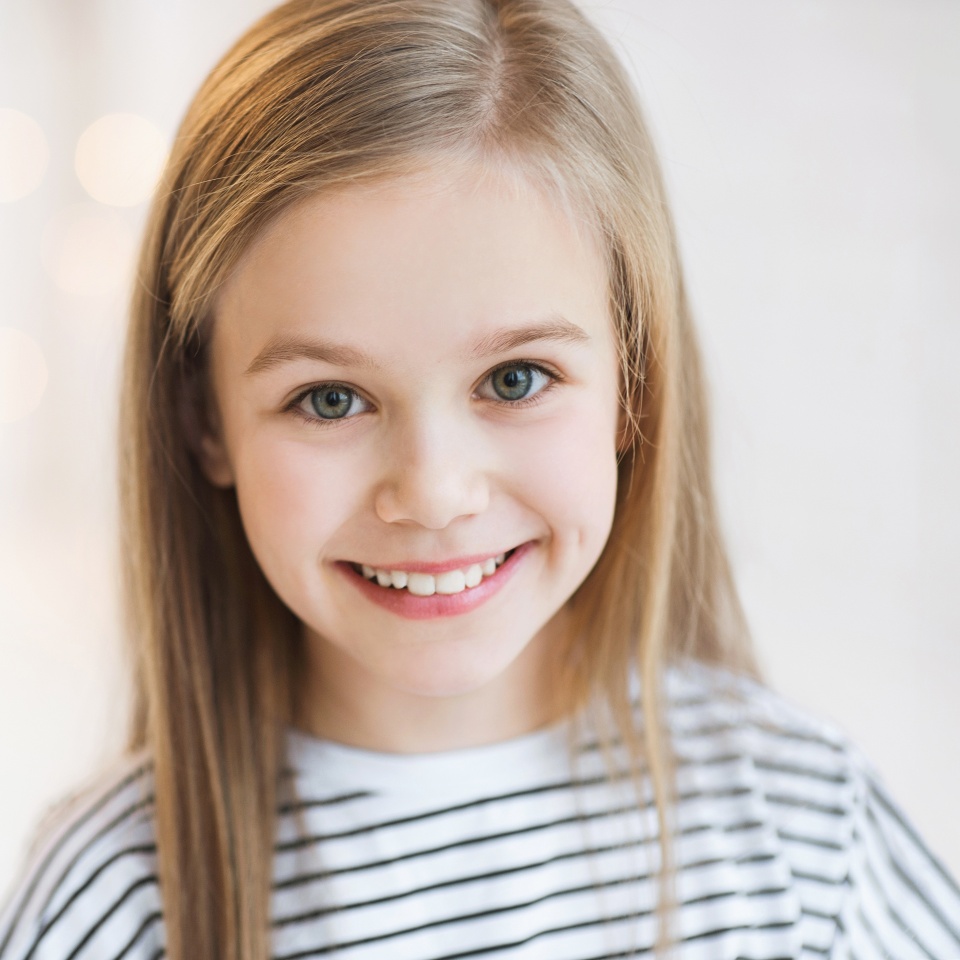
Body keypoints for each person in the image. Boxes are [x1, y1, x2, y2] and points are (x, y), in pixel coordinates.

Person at [1, 0, 958, 958]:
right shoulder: (116, 900)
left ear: (635, 383)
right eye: (330, 399)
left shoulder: (805, 832)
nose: (432, 490)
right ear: (201, 421)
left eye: (515, 380)